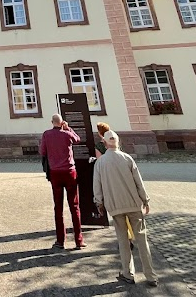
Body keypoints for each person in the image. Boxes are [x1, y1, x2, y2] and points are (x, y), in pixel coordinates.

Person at [92, 130, 158, 288]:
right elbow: (138, 182)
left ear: (105, 143)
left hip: (115, 206)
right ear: (118, 141)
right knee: (142, 240)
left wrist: (99, 203)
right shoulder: (127, 158)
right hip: (134, 204)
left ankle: (128, 274)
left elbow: (97, 186)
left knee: (123, 241)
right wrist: (145, 200)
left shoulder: (100, 163)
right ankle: (151, 275)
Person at [39, 113, 84, 250]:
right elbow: (78, 139)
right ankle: (79, 240)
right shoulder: (67, 134)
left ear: (52, 122)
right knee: (74, 206)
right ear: (62, 122)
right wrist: (68, 128)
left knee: (58, 207)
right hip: (70, 172)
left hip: (55, 173)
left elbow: (42, 152)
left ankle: (60, 241)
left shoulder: (46, 134)